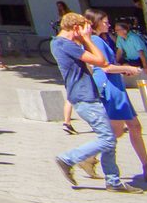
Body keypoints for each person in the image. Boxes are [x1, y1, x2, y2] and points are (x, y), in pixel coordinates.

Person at [53, 11, 139, 193]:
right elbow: (101, 61)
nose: (87, 32)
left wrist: (83, 38)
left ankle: (113, 181)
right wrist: (88, 39)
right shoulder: (66, 45)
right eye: (83, 29)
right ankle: (68, 158)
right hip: (85, 97)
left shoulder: (59, 43)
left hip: (85, 95)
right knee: (108, 139)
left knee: (108, 138)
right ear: (75, 28)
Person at [86, 9, 147, 183]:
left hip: (115, 85)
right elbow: (105, 67)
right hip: (110, 88)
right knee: (117, 131)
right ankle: (86, 157)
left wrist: (122, 70)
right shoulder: (95, 41)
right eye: (105, 21)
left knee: (133, 126)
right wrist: (128, 68)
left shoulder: (101, 39)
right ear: (95, 22)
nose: (108, 24)